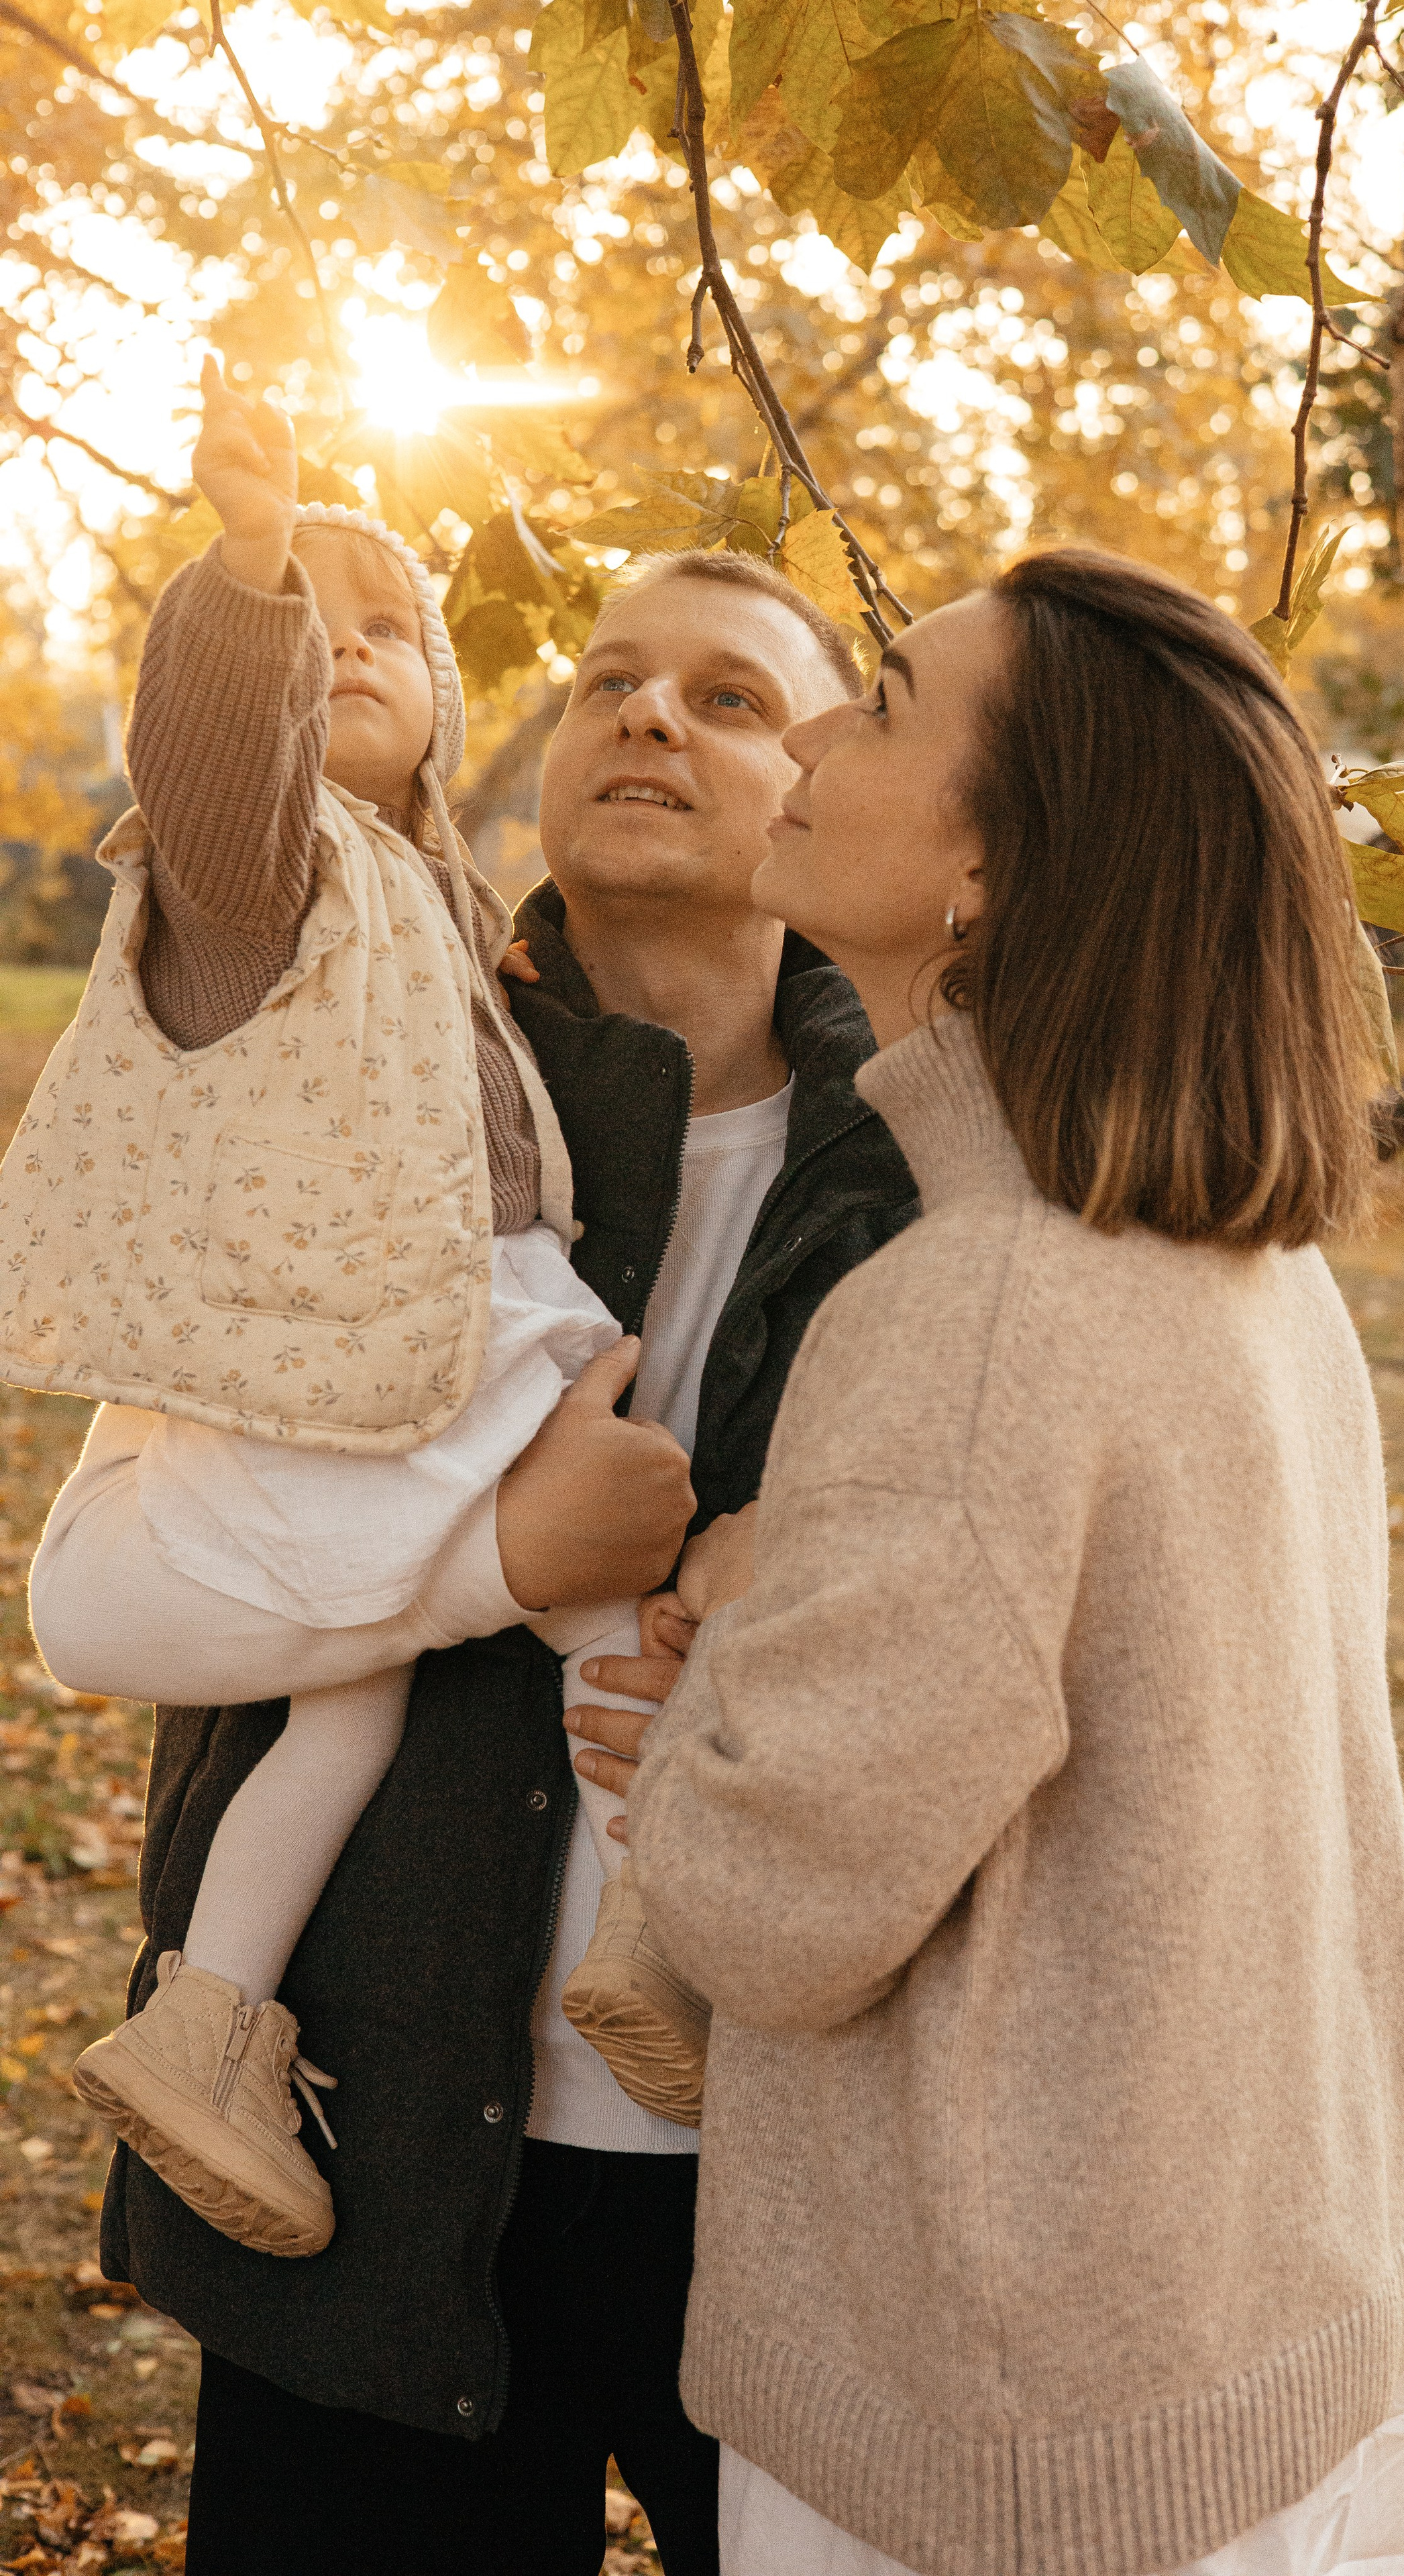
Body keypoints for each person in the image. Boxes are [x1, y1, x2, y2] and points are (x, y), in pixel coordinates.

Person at [28, 522, 917, 2572]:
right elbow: (96, 1602)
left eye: (729, 696)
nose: (648, 715)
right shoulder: (347, 1084)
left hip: (788, 2188)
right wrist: (501, 1556)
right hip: (374, 2160)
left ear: (828, 790)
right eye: (611, 676)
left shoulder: (936, 1168)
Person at [624, 548, 1404, 2576]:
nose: (816, 729)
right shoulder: (1256, 1276)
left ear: (991, 873)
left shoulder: (973, 1308)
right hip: (1276, 2353)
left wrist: (708, 1676)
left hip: (1001, 2450)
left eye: (884, 701)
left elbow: (767, 1910)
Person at [15, 359, 720, 2259]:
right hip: (379, 1339)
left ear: (448, 720)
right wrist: (251, 578)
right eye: (313, 639)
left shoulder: (429, 886)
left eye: (387, 628)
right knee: (620, 1555)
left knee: (353, 1702)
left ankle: (209, 2022)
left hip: (405, 1339)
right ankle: (673, 1930)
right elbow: (216, 771)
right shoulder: (266, 876)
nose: (349, 652)